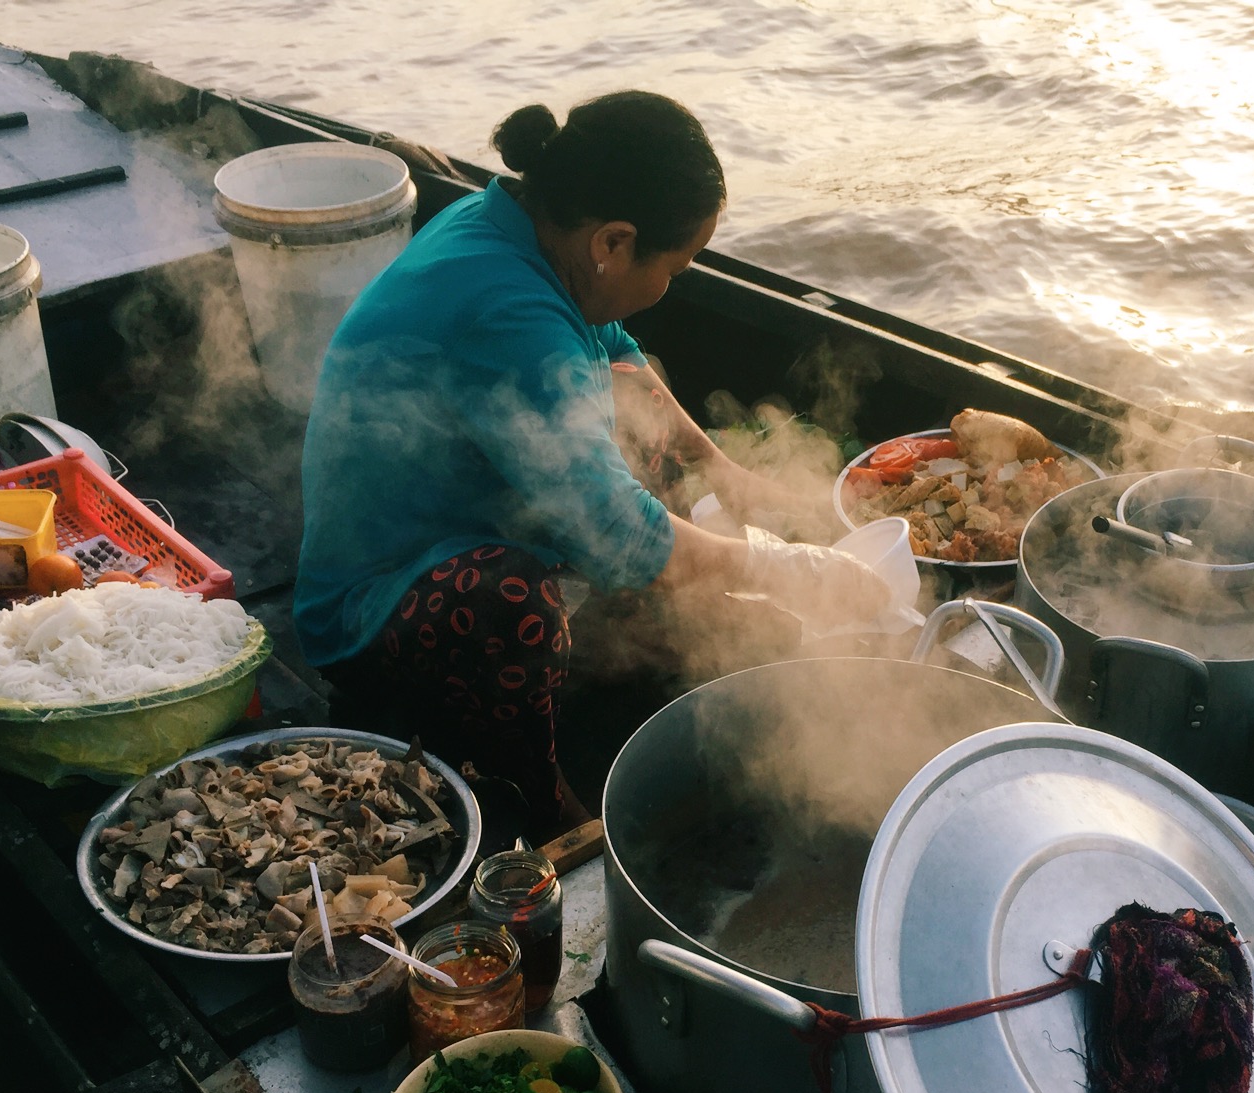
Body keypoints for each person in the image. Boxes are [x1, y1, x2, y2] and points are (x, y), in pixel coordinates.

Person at [295, 92, 888, 838]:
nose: (680, 280)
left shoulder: (525, 232)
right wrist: (792, 570)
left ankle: (666, 618)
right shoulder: (506, 309)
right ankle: (541, 803)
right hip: (377, 604)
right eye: (681, 263)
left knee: (642, 435)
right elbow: (618, 532)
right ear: (613, 241)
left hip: (470, 509)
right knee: (515, 603)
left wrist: (724, 473)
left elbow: (615, 355)